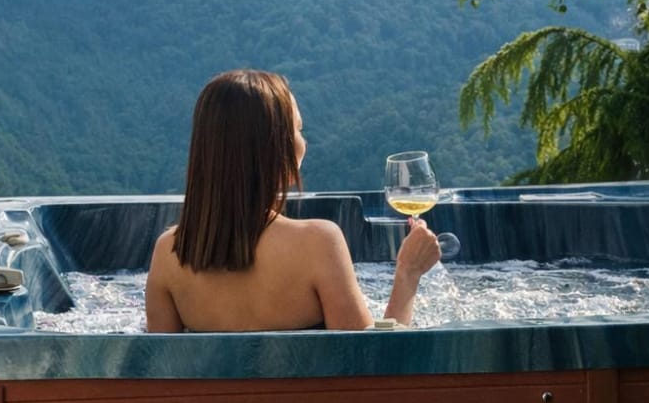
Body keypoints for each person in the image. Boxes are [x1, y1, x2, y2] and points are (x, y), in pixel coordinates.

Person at [145, 68, 441, 332]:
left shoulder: (168, 255)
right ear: (275, 148)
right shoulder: (317, 244)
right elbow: (369, 371)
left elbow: (160, 379)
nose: (304, 141)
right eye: (298, 130)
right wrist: (408, 274)